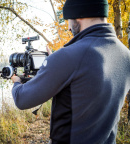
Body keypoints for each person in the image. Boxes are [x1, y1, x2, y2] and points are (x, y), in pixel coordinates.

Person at [11, 0, 130, 143]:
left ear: (78, 15)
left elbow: (22, 99)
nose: (68, 27)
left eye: (68, 20)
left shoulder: (67, 56)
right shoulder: (126, 55)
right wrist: (55, 65)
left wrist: (16, 82)